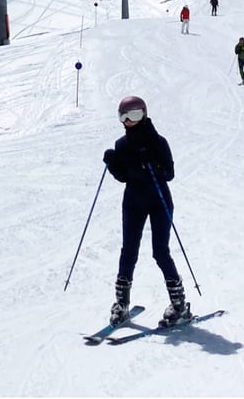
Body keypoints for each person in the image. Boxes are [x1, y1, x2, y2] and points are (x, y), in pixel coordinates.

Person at [102, 96, 191, 328]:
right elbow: (123, 176)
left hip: (159, 200)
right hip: (133, 201)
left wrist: (154, 165)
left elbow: (169, 173)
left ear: (143, 114)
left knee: (160, 252)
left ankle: (179, 303)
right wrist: (113, 164)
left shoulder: (158, 142)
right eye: (124, 116)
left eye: (133, 116)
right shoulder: (122, 145)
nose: (128, 121)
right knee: (128, 250)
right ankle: (121, 304)